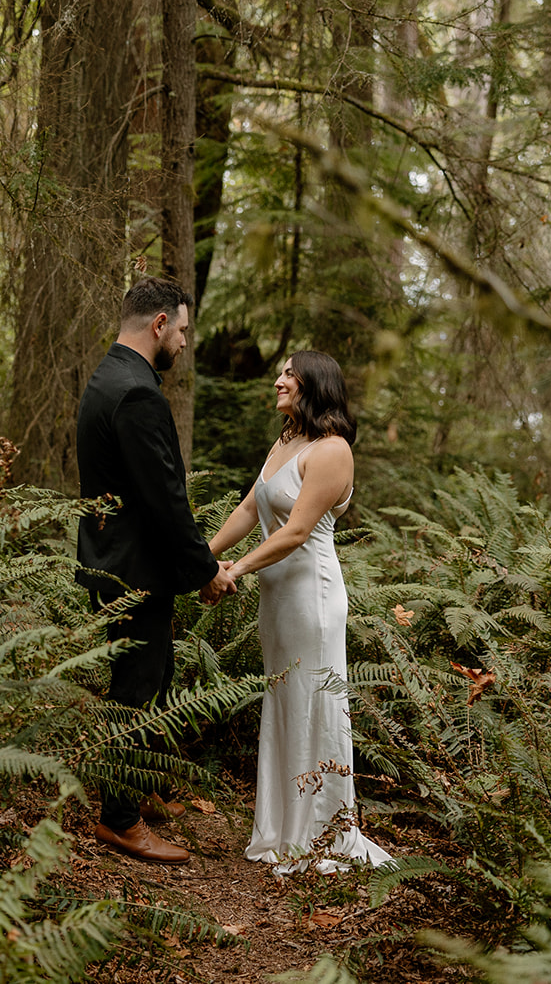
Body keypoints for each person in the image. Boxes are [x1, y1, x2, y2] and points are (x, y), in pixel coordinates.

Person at [207, 350, 394, 875]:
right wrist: (204, 560)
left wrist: (234, 571)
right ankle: (283, 830)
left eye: (289, 373)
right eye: (281, 372)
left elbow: (294, 532)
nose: (277, 380)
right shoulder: (287, 441)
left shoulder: (332, 451)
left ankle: (321, 834)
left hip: (312, 596)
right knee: (286, 701)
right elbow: (250, 508)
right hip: (278, 598)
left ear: (315, 383)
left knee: (315, 704)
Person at [76, 276, 238, 864]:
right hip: (135, 568)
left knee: (155, 676)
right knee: (137, 691)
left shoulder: (107, 376)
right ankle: (119, 820)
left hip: (112, 562)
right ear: (160, 325)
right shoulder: (138, 394)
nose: (187, 344)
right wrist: (206, 570)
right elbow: (165, 497)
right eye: (185, 331)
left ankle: (138, 788)